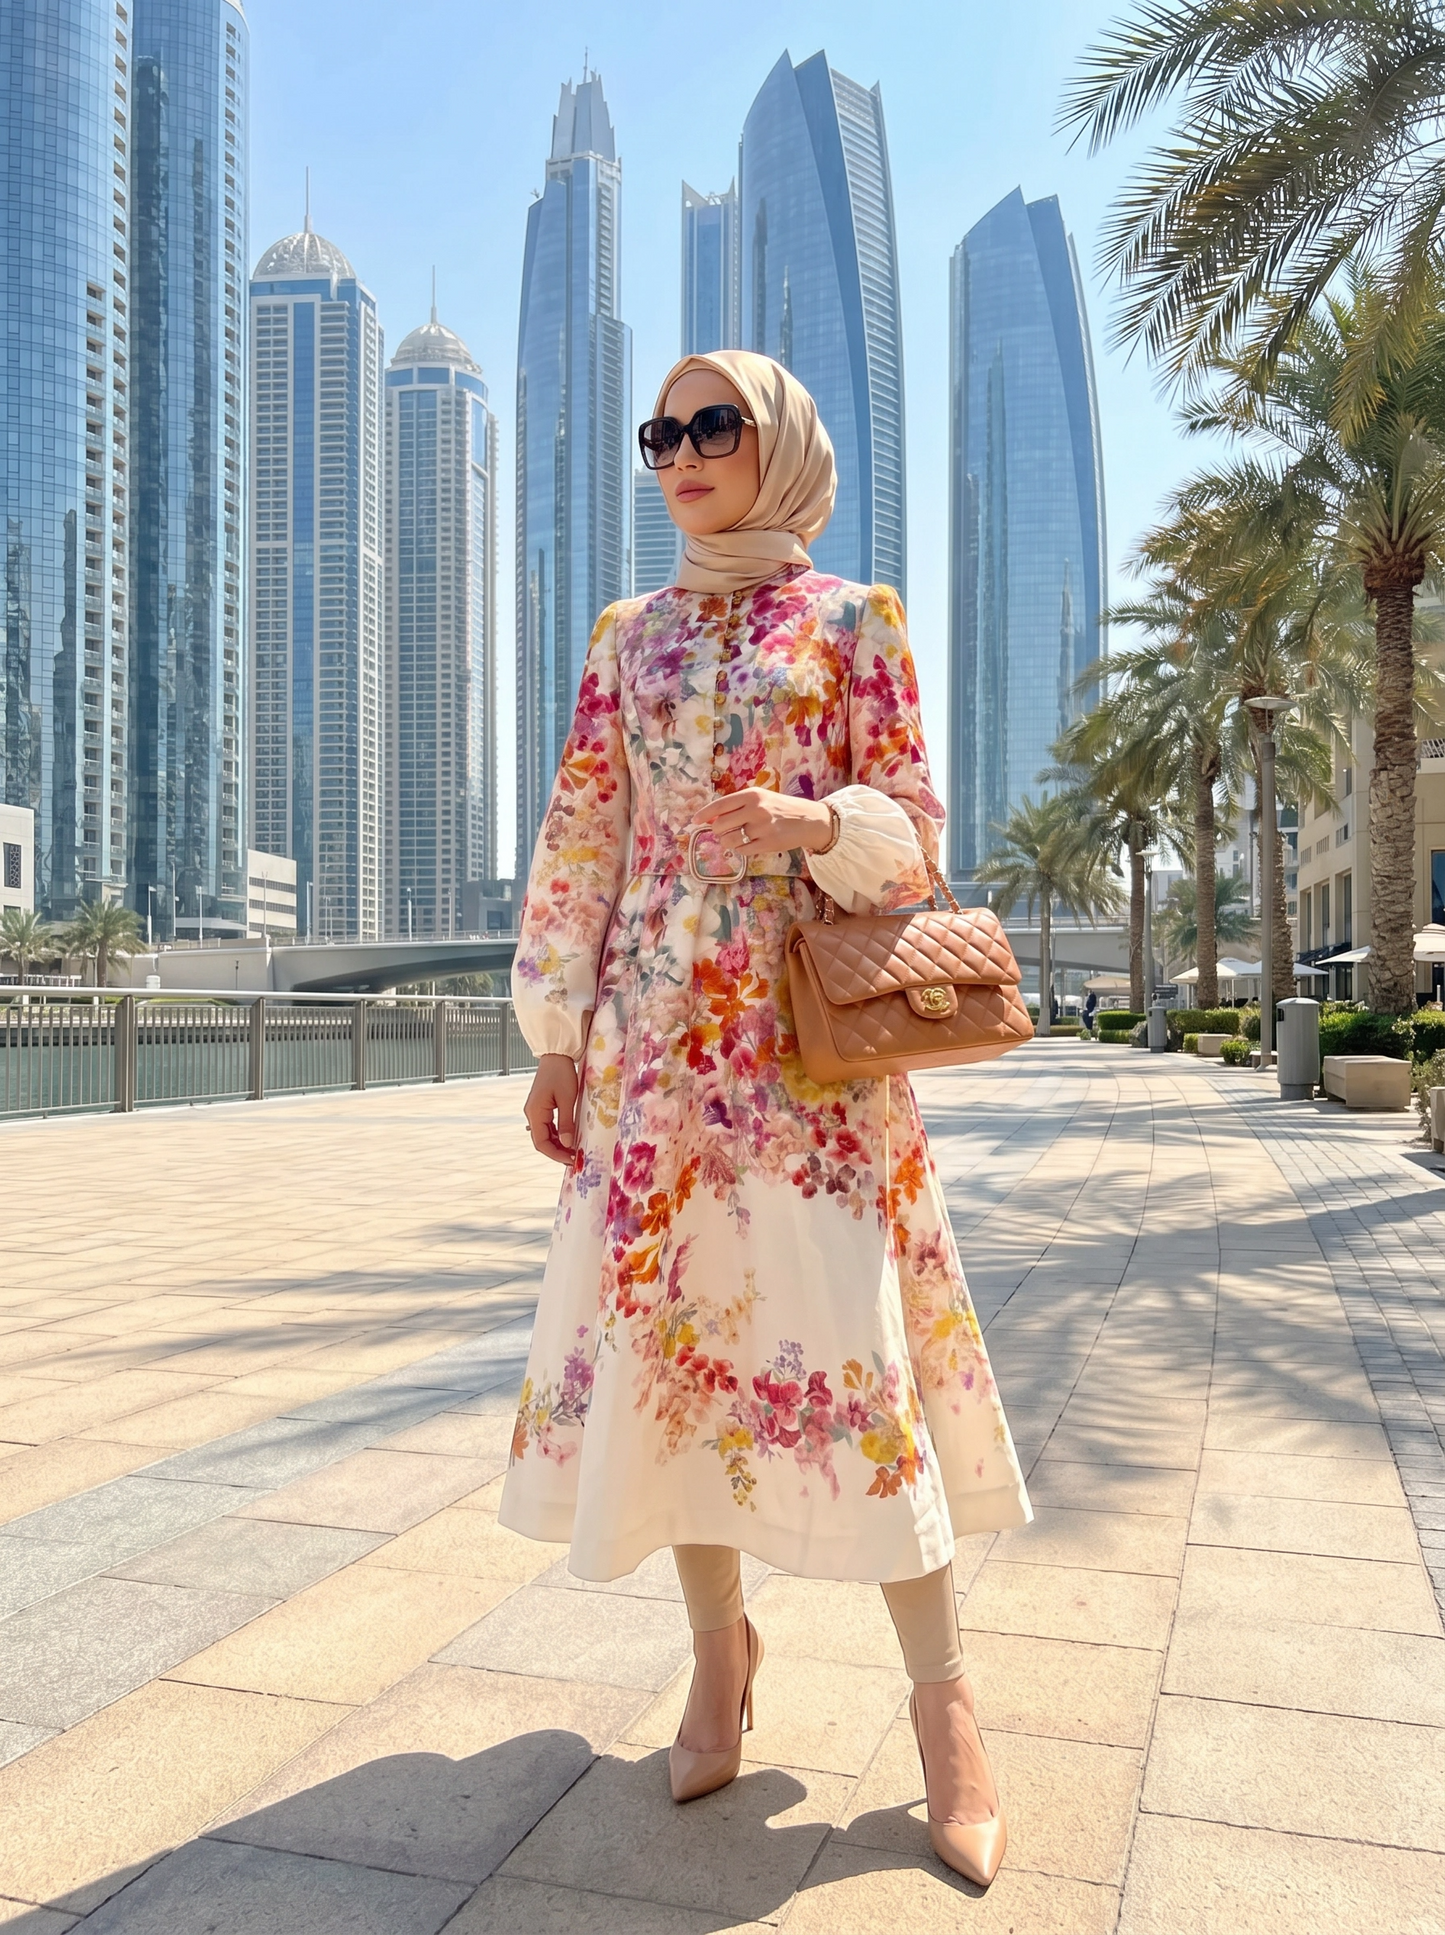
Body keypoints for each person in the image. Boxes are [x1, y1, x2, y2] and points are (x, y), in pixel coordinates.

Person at [502, 349, 1030, 1888]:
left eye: (712, 425)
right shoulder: (626, 636)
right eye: (660, 433)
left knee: (850, 1361)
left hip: (805, 1064)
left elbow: (916, 843)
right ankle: (718, 1657)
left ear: (780, 444)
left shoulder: (856, 622)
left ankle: (947, 1716)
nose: (679, 453)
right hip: (656, 1055)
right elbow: (582, 834)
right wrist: (554, 1040)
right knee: (675, 1366)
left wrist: (809, 821)